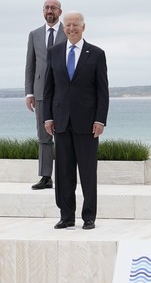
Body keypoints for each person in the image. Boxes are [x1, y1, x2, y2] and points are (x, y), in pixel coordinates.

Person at [43, 12, 109, 230]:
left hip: (87, 123)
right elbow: (49, 88)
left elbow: (102, 91)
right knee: (63, 173)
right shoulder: (53, 53)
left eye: (76, 25)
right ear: (64, 28)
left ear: (84, 27)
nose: (72, 28)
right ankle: (66, 216)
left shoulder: (97, 54)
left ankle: (89, 216)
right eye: (68, 25)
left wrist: (100, 119)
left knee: (88, 172)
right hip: (61, 121)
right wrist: (48, 117)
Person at [24, 0, 67, 190]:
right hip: (41, 93)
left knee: (64, 135)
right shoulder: (34, 34)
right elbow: (30, 65)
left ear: (60, 11)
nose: (50, 11)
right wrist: (29, 93)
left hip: (63, 92)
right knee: (43, 136)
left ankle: (65, 175)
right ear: (43, 11)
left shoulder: (69, 31)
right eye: (47, 8)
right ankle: (46, 176)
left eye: (53, 8)